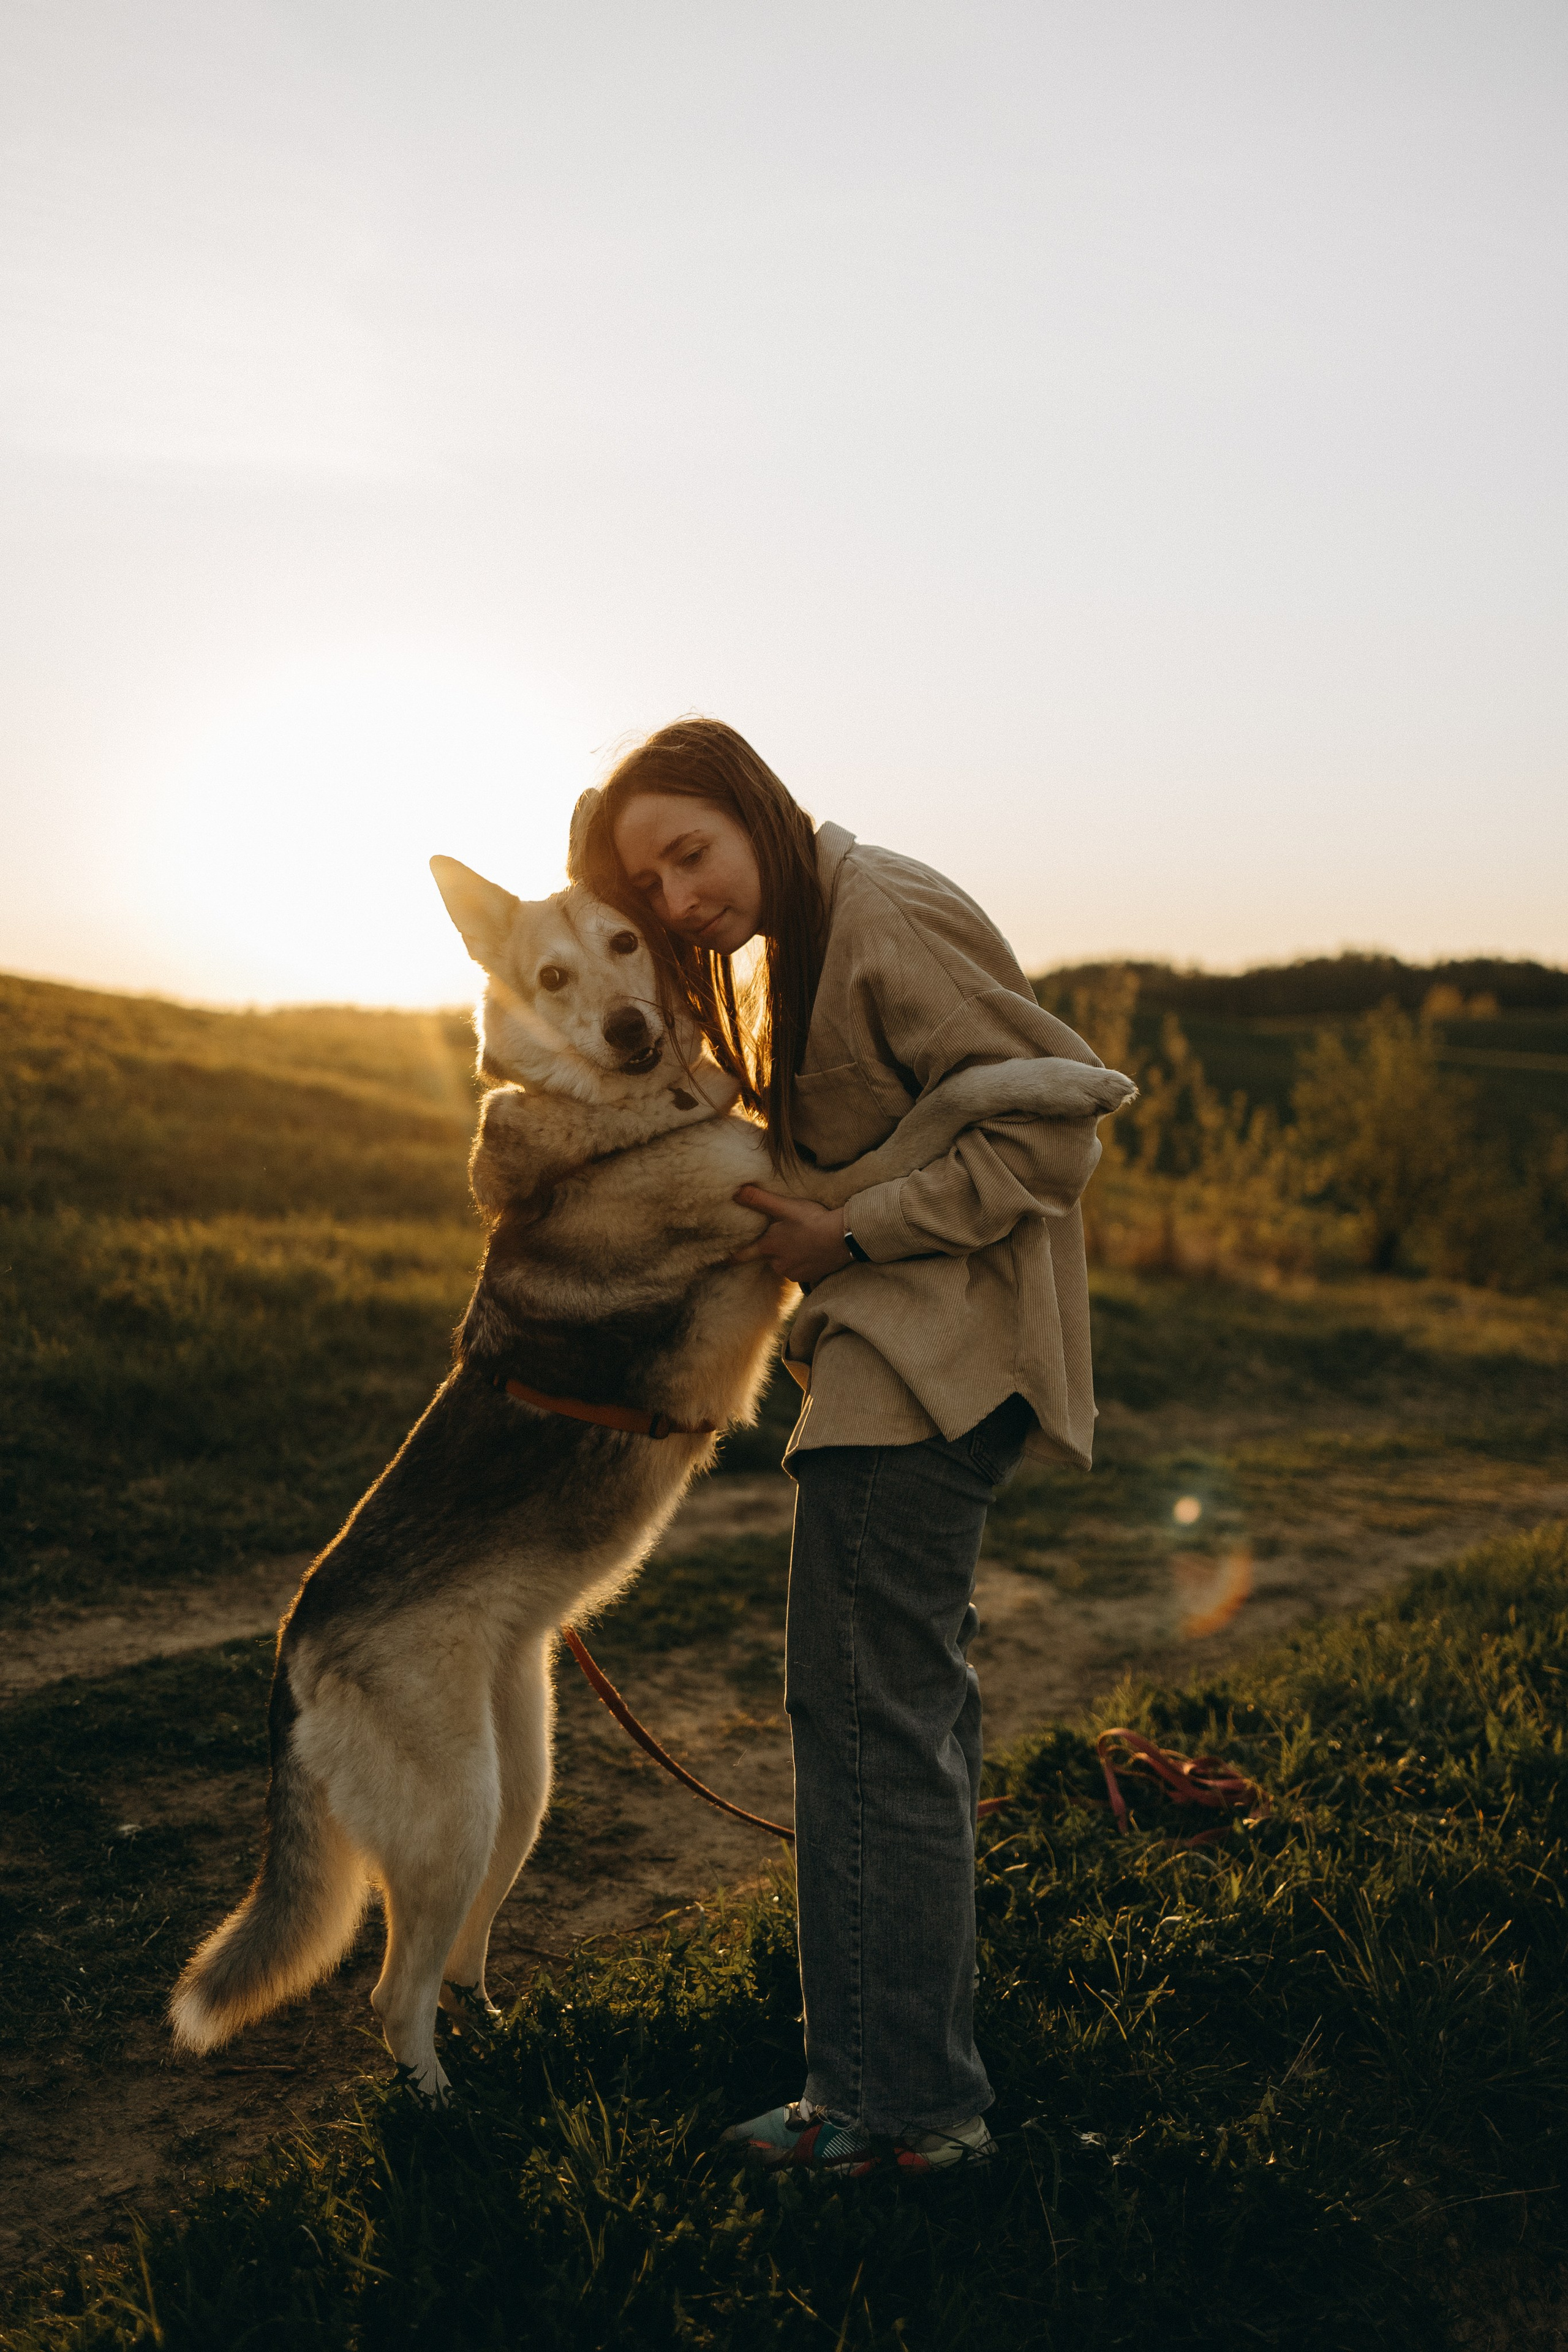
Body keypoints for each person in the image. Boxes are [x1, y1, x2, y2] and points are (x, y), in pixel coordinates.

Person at [571, 717, 1106, 2176]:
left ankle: (894, 2114)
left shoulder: (881, 913)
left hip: (927, 1373)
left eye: (689, 852)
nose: (678, 901)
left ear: (754, 805)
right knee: (897, 1728)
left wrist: (850, 1230)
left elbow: (1051, 1130)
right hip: (906, 1366)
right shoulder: (806, 936)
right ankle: (913, 2077)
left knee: (868, 1732)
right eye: (649, 883)